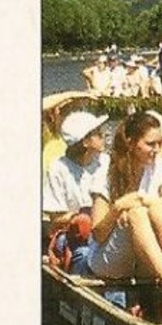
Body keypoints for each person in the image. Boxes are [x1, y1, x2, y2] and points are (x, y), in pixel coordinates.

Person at [84, 112, 162, 301]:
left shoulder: (158, 166)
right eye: (150, 144)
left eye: (159, 143)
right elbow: (98, 233)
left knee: (156, 208)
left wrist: (142, 199)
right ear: (131, 143)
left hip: (144, 257)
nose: (156, 149)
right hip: (108, 260)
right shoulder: (106, 173)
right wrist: (119, 207)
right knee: (137, 213)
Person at [42, 109, 110, 265]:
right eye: (98, 133)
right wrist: (78, 217)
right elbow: (55, 220)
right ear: (85, 142)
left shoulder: (106, 162)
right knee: (83, 254)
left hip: (105, 228)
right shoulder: (58, 168)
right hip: (74, 234)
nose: (103, 135)